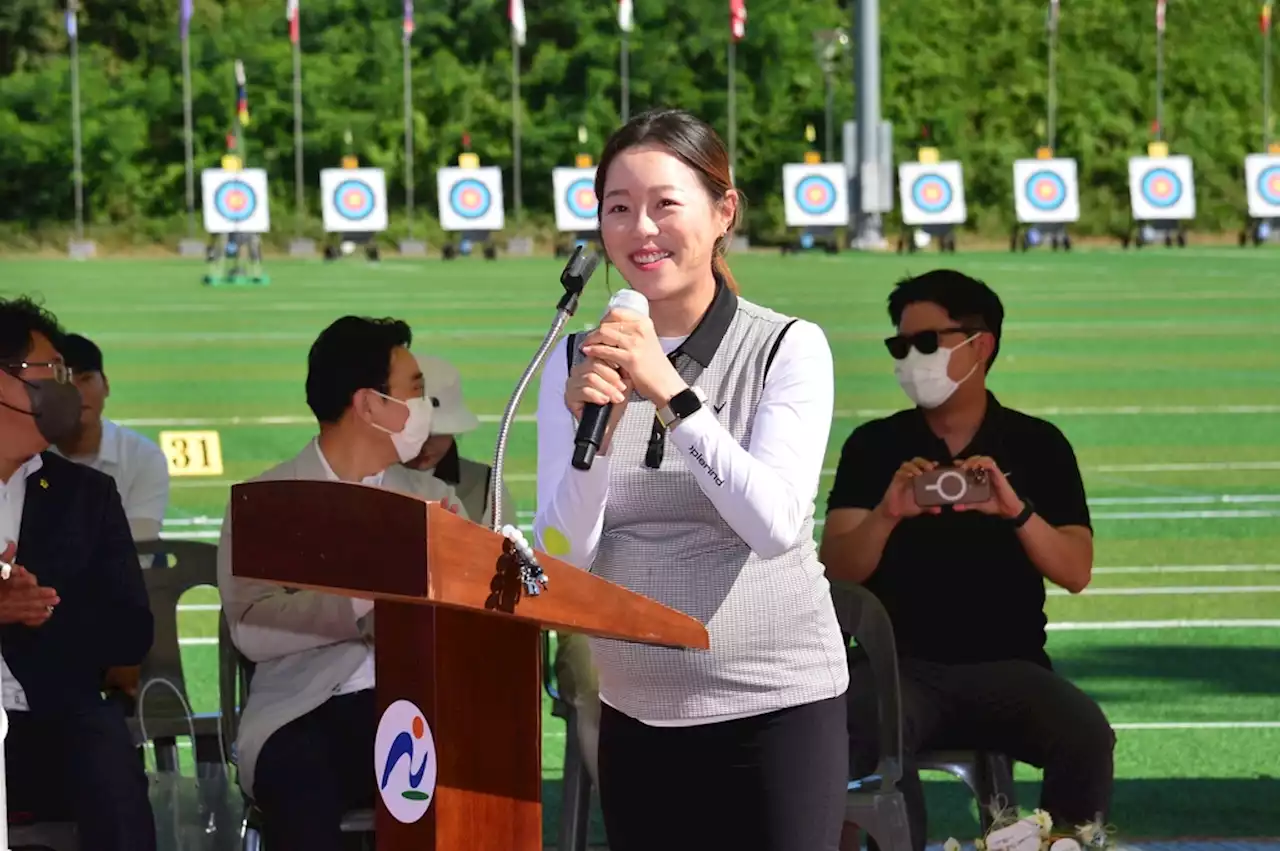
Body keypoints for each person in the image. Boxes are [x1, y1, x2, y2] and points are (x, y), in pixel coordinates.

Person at [532, 108, 849, 851]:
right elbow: (564, 550)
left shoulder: (787, 347)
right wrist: (601, 433)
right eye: (618, 208)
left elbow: (773, 523)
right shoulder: (576, 358)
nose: (641, 229)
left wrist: (669, 391)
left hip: (777, 708)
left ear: (723, 211)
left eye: (665, 204)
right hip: (635, 712)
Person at [820, 270, 1115, 849]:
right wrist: (887, 513)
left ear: (981, 344)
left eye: (927, 342)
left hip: (1011, 667)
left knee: (1086, 733)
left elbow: (1076, 570)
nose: (911, 358)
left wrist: (1016, 511)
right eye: (900, 346)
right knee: (841, 727)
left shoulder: (1038, 444)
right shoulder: (874, 446)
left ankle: (1062, 848)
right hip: (898, 669)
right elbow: (836, 573)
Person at [217, 315, 463, 851]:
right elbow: (252, 629)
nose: (426, 409)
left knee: (473, 774)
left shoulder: (434, 501)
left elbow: (469, 626)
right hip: (304, 712)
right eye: (415, 391)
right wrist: (364, 594)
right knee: (300, 779)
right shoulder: (266, 503)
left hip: (420, 707)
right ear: (369, 404)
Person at [0, 296, 156, 851]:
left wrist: (42, 606)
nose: (66, 390)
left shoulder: (85, 496)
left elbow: (132, 631)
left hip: (57, 717)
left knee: (109, 761)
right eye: (50, 374)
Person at [53, 333, 170, 542]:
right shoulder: (27, 456)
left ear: (105, 385)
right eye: (64, 381)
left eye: (86, 379)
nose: (77, 393)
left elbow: (140, 547)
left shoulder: (143, 457)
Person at [403, 353, 515, 528]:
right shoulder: (370, 479)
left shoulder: (485, 486)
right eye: (416, 432)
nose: (424, 445)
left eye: (437, 434)